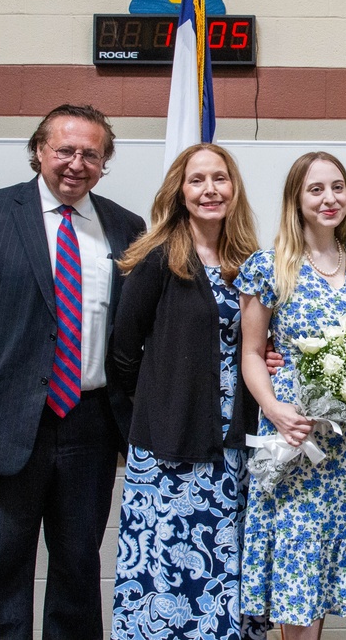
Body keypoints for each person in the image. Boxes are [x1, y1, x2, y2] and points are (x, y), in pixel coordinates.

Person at [0, 104, 145, 638]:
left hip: (90, 424)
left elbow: (135, 333)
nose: (76, 163)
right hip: (2, 417)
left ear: (104, 162)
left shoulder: (125, 226)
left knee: (78, 569)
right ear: (39, 151)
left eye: (91, 153)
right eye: (64, 149)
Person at [109, 143, 267, 639]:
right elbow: (122, 354)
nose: (209, 190)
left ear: (234, 188)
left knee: (227, 572)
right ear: (180, 191)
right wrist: (162, 404)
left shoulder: (249, 262)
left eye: (219, 179)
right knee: (167, 580)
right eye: (197, 180)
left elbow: (258, 346)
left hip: (232, 452)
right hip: (168, 451)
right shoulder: (159, 259)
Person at [237, 151, 346, 638]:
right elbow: (252, 354)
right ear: (296, 199)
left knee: (321, 566)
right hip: (293, 431)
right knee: (295, 569)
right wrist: (276, 410)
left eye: (338, 187)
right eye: (316, 189)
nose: (329, 199)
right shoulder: (270, 265)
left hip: (343, 442)